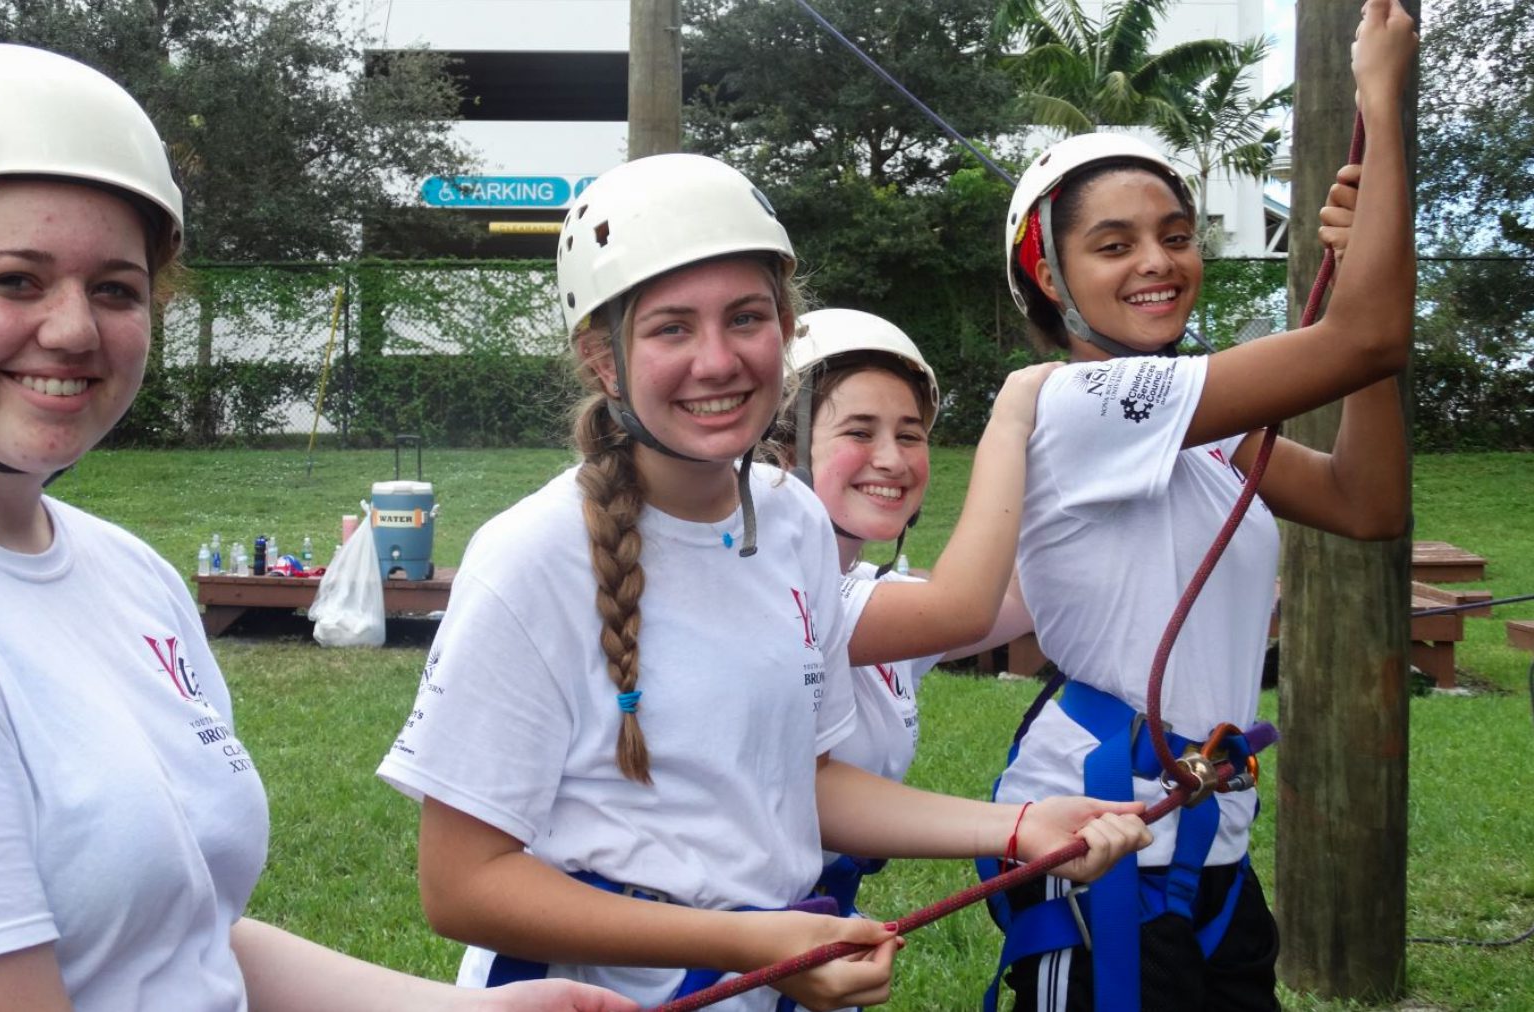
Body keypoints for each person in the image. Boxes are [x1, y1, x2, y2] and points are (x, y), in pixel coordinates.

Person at [0, 43, 636, 1012]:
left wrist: (459, 1010)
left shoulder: (123, 573)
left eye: (115, 289)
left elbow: (177, 936)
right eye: (17, 280)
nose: (74, 329)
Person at [377, 152, 1151, 1012]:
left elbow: (802, 781)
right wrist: (750, 942)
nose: (718, 361)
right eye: (671, 328)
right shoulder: (529, 558)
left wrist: (1018, 827)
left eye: (746, 318)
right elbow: (463, 886)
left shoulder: (791, 520)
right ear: (604, 360)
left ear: (785, 329)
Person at [979, 2, 1419, 1009]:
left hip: (1206, 839)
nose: (1158, 262)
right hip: (1102, 844)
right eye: (1114, 244)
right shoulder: (1075, 405)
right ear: (1049, 274)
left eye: (1176, 236)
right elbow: (1366, 336)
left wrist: (1360, 295)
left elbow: (1366, 501)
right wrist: (1381, 106)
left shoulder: (1206, 432)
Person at [768, 309, 1043, 919]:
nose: (892, 459)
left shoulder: (868, 590)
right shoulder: (779, 595)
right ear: (783, 453)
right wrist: (1011, 422)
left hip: (806, 923)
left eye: (910, 435)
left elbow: (1022, 600)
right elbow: (964, 610)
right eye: (860, 432)